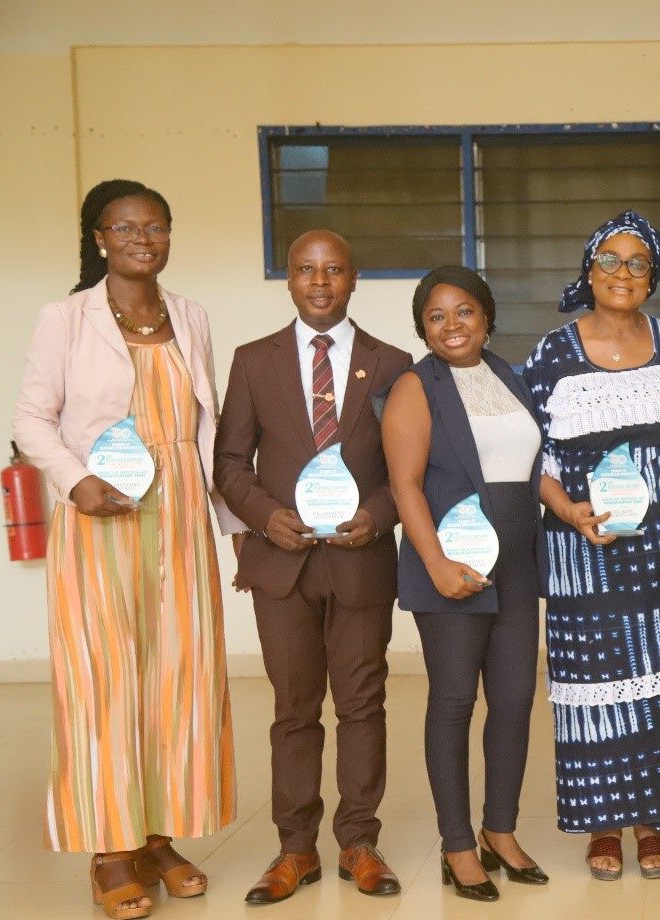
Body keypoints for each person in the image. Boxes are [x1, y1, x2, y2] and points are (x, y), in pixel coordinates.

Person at [12, 179, 237, 920]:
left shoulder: (191, 315)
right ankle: (111, 849)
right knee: (103, 680)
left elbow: (207, 428)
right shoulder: (65, 318)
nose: (144, 239)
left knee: (180, 678)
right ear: (100, 237)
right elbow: (31, 418)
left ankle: (157, 837)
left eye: (157, 226)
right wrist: (76, 482)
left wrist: (232, 522)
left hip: (181, 516)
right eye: (127, 227)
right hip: (101, 515)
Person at [524, 210, 660, 881]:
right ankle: (604, 825)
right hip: (587, 546)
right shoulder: (553, 353)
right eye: (609, 261)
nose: (622, 273)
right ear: (589, 273)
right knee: (598, 683)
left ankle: (655, 821)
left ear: (653, 277)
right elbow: (533, 456)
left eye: (637, 262)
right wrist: (568, 511)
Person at [214, 230, 411, 904]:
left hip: (360, 561)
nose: (319, 282)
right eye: (305, 269)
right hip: (282, 563)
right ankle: (295, 849)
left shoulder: (392, 363)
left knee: (362, 705)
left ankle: (359, 842)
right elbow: (230, 462)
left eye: (333, 270)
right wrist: (265, 515)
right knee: (293, 710)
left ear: (354, 278)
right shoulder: (252, 361)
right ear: (291, 280)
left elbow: (410, 465)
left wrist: (378, 515)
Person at [379, 266, 547, 902]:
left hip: (516, 565)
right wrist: (436, 564)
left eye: (464, 311)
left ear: (487, 316)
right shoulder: (415, 387)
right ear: (423, 328)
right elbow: (405, 485)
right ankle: (457, 844)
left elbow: (526, 468)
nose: (452, 325)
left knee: (514, 700)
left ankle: (499, 830)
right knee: (453, 702)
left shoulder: (507, 375)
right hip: (452, 565)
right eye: (436, 316)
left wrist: (569, 508)